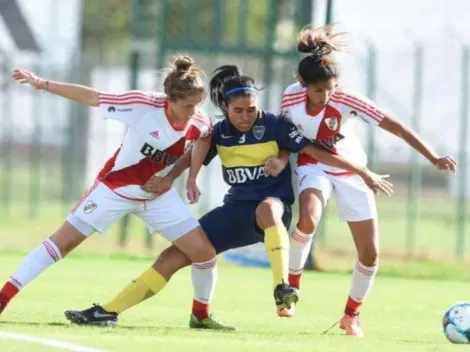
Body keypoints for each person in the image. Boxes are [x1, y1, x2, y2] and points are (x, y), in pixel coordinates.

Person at [63, 65, 392, 330]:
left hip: (271, 213)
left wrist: (362, 172)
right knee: (173, 256)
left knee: (268, 208)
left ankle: (282, 288)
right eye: (238, 111)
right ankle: (108, 311)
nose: (246, 116)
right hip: (233, 213)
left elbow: (315, 151)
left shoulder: (275, 126)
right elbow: (192, 154)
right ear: (224, 108)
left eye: (251, 109)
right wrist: (175, 178)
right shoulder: (219, 133)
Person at [0, 55, 220, 318]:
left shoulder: (199, 119)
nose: (194, 111)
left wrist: (184, 177)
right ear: (170, 99)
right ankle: (3, 299)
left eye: (198, 104)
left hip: (157, 196)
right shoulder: (143, 104)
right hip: (115, 188)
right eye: (188, 105)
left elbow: (204, 139)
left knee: (205, 253)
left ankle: (201, 316)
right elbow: (94, 97)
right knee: (61, 244)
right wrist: (43, 83)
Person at [281, 25, 457, 337]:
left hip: (352, 168)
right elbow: (291, 140)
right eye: (318, 90)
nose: (325, 96)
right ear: (302, 84)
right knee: (307, 218)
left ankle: (352, 315)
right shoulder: (290, 98)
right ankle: (290, 289)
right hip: (314, 164)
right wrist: (280, 158)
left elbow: (397, 126)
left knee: (370, 252)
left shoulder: (347, 99)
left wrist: (433, 157)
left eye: (330, 89)